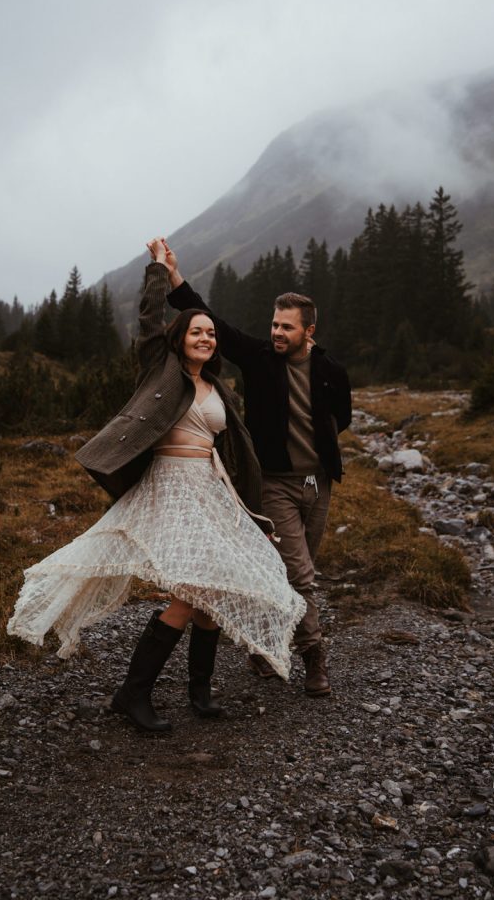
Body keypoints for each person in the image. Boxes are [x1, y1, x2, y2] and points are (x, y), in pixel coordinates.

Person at [7, 240, 306, 733]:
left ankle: (200, 692)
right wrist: (159, 272)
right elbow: (148, 320)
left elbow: (235, 456)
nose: (206, 338)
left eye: (211, 332)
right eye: (197, 332)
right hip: (169, 488)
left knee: (215, 589)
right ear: (179, 338)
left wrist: (255, 516)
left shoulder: (218, 389)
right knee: (192, 594)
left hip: (210, 492)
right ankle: (133, 694)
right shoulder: (160, 368)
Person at [163, 239, 352, 697]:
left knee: (288, 572)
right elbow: (212, 321)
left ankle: (263, 645)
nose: (276, 333)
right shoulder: (260, 361)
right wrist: (173, 277)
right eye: (274, 324)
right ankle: (314, 659)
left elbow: (340, 418)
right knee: (302, 574)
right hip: (275, 486)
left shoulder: (331, 370)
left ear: (309, 330)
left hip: (318, 484)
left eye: (287, 327)